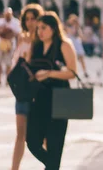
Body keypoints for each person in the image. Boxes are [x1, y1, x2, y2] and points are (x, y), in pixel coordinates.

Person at [26, 12, 77, 170]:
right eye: (38, 28)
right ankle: (53, 165)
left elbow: (72, 72)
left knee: (55, 146)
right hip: (39, 99)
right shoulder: (35, 46)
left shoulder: (64, 45)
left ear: (54, 28)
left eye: (44, 28)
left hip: (60, 99)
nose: (40, 32)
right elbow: (28, 67)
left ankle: (53, 165)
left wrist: (49, 73)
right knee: (32, 141)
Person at [10, 3, 43, 170]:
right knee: (20, 134)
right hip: (23, 91)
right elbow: (16, 61)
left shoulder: (43, 40)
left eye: (34, 18)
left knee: (42, 134)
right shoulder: (21, 38)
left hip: (38, 91)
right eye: (27, 19)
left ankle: (50, 164)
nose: (30, 22)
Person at [0, 8, 22, 86]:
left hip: (10, 43)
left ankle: (7, 80)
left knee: (8, 63)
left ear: (11, 14)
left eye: (8, 15)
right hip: (0, 43)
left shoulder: (15, 22)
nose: (7, 16)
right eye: (6, 15)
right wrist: (1, 29)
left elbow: (18, 34)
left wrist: (9, 31)